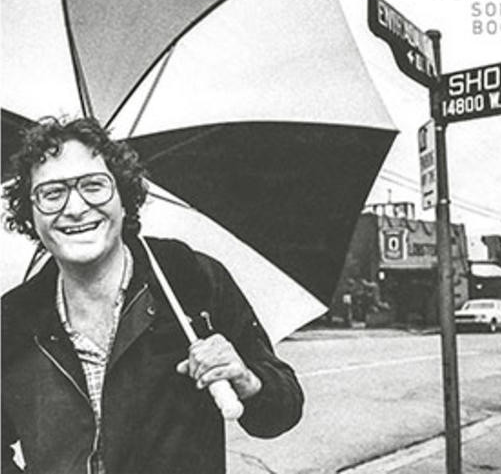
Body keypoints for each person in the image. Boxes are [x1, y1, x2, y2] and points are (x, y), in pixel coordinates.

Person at [1, 117, 304, 474]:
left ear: (124, 198)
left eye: (94, 186)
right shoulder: (13, 319)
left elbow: (281, 412)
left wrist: (246, 379)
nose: (76, 207)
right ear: (31, 214)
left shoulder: (190, 279)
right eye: (52, 193)